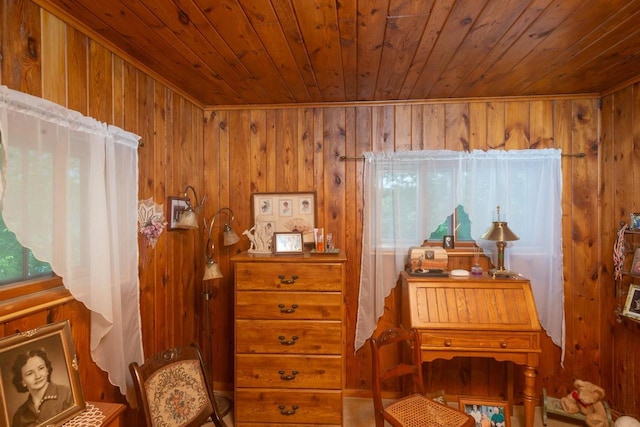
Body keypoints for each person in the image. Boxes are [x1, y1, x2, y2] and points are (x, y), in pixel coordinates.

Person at [11, 348, 73, 427]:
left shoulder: (67, 394)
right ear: (22, 381)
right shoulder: (19, 415)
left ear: (47, 370)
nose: (38, 376)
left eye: (41, 368)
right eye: (30, 373)